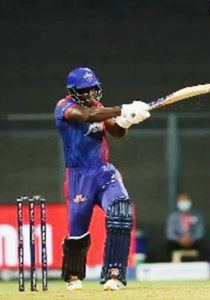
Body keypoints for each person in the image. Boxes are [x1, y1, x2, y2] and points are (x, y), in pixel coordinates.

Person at [55, 67, 151, 291]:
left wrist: (126, 121)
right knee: (77, 233)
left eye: (92, 90)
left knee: (121, 212)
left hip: (104, 173)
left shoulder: (99, 108)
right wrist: (122, 108)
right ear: (73, 91)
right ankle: (74, 276)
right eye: (84, 91)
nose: (90, 95)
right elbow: (87, 116)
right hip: (79, 177)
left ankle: (114, 275)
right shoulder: (64, 107)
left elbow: (116, 133)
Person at [166, 193, 205, 259]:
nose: (184, 203)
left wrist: (191, 239)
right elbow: (170, 234)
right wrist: (180, 240)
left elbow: (200, 233)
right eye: (182, 201)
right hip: (177, 242)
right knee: (169, 245)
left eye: (185, 201)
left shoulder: (197, 216)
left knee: (202, 244)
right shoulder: (173, 216)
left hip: (193, 242)